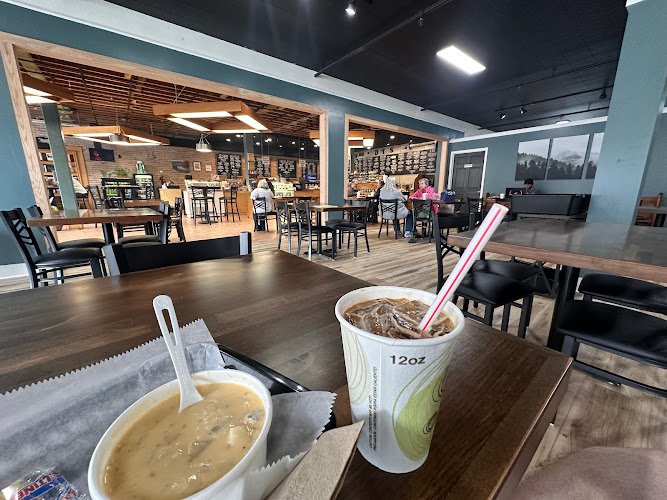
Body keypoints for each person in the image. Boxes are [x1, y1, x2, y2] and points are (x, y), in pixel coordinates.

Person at [379, 177, 415, 242]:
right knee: (410, 213)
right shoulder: (396, 192)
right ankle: (408, 232)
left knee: (394, 212)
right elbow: (404, 199)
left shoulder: (382, 191)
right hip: (395, 212)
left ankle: (397, 230)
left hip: (384, 213)